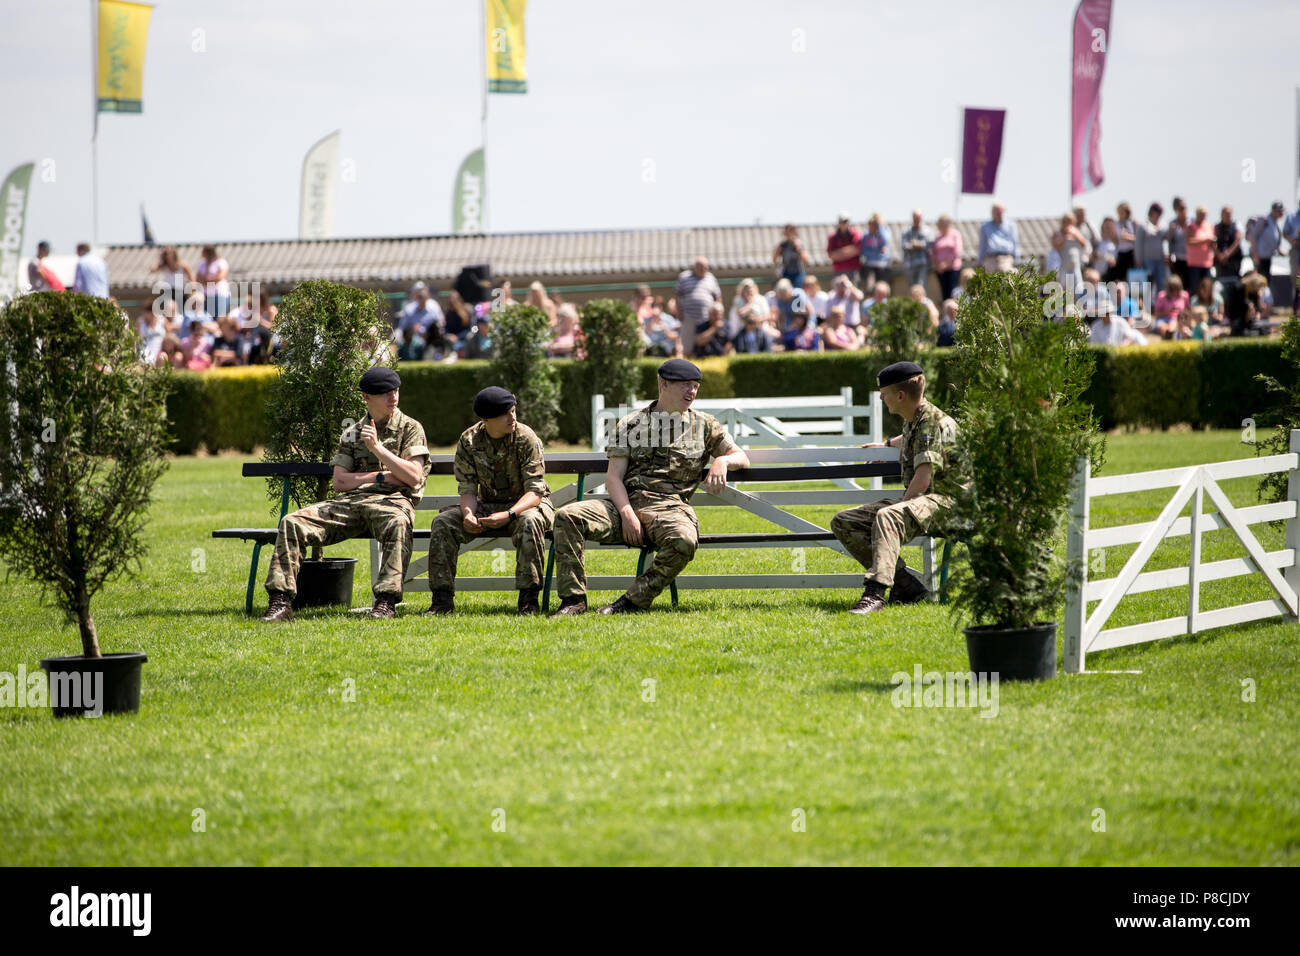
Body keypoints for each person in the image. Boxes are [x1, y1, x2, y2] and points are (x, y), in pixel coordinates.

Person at [550, 359, 749, 615]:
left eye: (695, 386)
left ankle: (631, 602)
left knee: (684, 540)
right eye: (685, 385)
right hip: (625, 505)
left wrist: (722, 460)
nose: (692, 392)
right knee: (568, 517)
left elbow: (741, 456)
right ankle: (573, 602)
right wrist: (627, 514)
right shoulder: (631, 424)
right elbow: (613, 478)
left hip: (669, 509)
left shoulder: (705, 426)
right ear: (663, 384)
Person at [261, 367, 431, 622]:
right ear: (366, 397)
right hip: (351, 503)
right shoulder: (352, 432)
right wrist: (382, 476)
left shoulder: (410, 427)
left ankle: (385, 603)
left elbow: (414, 476)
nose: (392, 397)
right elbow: (340, 481)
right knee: (292, 522)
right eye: (384, 393)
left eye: (395, 390)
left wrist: (377, 449)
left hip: (392, 502)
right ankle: (280, 602)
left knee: (398, 523)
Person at [830, 362, 956, 614]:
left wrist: (897, 509)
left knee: (888, 515)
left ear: (900, 395)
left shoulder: (930, 422)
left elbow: (922, 481)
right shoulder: (917, 419)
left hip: (948, 503)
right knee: (844, 521)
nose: (880, 397)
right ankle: (905, 584)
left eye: (884, 393)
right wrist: (886, 444)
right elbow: (912, 439)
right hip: (928, 501)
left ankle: (875, 594)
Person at [426, 387, 553, 616]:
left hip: (527, 505)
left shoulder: (525, 437)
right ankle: (441, 601)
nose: (512, 417)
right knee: (443, 522)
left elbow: (535, 491)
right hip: (488, 505)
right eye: (505, 414)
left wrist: (509, 514)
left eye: (513, 411)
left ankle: (528, 600)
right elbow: (467, 488)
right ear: (485, 420)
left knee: (530, 522)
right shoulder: (469, 440)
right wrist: (467, 515)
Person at [670, 256, 721, 357]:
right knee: (687, 346)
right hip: (688, 317)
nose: (703, 270)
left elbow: (718, 297)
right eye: (700, 267)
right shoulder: (684, 277)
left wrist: (718, 313)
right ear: (694, 267)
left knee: (705, 346)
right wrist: (679, 312)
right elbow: (677, 295)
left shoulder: (710, 278)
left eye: (705, 267)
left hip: (706, 318)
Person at [1051, 213, 1090, 296]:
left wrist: (1074, 234)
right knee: (1063, 288)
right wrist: (1065, 237)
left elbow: (1084, 244)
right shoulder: (1058, 233)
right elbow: (1055, 246)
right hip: (1063, 266)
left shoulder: (1076, 232)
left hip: (1075, 266)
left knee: (1078, 289)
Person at [978, 202, 1019, 272]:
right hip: (990, 259)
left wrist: (1017, 260)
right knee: (990, 281)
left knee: (1006, 279)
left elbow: (1015, 243)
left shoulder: (1011, 226)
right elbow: (982, 245)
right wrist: (980, 261)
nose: (998, 214)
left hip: (1006, 258)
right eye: (996, 212)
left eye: (1000, 212)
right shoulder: (985, 226)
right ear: (992, 213)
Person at [1135, 202, 1167, 290]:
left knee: (1161, 283)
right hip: (1147, 260)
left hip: (1160, 260)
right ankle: (1147, 303)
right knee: (1148, 285)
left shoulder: (1162, 226)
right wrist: (1139, 260)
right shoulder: (1142, 226)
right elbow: (1138, 244)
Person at [930, 215, 963, 302]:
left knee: (953, 292)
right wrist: (937, 266)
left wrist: (946, 265)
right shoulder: (938, 237)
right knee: (944, 294)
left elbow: (957, 251)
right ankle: (946, 313)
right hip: (940, 270)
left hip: (953, 268)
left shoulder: (955, 234)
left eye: (941, 223)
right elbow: (933, 253)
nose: (939, 225)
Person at [1185, 205, 1216, 293]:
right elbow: (1189, 241)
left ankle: (1205, 306)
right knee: (1195, 287)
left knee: (1206, 287)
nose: (1203, 216)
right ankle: (1146, 306)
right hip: (1194, 262)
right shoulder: (1191, 226)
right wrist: (1205, 240)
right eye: (1201, 214)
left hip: (1207, 262)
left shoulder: (1209, 226)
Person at [1251, 201, 1286, 278]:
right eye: (1279, 211)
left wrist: (1278, 250)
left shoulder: (1275, 223)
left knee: (1266, 278)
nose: (1281, 213)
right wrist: (1255, 254)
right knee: (1260, 279)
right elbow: (1253, 237)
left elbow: (1274, 238)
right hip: (1260, 257)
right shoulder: (1264, 221)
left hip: (1267, 257)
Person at [858, 213, 892, 290]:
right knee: (870, 287)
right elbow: (864, 250)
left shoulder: (882, 234)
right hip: (870, 265)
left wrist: (881, 227)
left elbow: (885, 245)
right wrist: (876, 252)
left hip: (882, 265)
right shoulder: (866, 236)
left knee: (883, 287)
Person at [900, 210, 932, 291]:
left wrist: (915, 244)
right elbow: (904, 246)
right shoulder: (906, 231)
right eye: (915, 218)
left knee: (922, 287)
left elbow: (929, 244)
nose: (917, 220)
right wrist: (918, 245)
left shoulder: (927, 231)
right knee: (912, 288)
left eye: (918, 218)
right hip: (910, 264)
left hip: (923, 264)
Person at [194, 245, 230, 318]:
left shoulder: (221, 262)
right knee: (207, 317)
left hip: (219, 294)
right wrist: (209, 280)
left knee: (219, 317)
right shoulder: (202, 265)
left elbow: (220, 276)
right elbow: (198, 278)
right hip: (206, 295)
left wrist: (207, 280)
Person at [772, 224, 810, 289]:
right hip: (786, 273)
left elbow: (806, 260)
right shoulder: (783, 245)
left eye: (791, 231)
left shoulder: (799, 244)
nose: (789, 234)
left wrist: (798, 248)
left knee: (798, 291)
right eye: (788, 231)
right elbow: (774, 259)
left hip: (798, 273)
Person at [827, 212, 862, 280]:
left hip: (853, 271)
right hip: (838, 271)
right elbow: (831, 255)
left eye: (845, 221)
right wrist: (849, 250)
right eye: (841, 221)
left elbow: (857, 249)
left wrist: (839, 253)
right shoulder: (832, 237)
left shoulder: (856, 234)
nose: (843, 223)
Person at [1214, 206, 1243, 285]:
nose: (1228, 216)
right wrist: (1219, 255)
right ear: (1221, 215)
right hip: (1220, 262)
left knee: (1234, 282)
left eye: (1229, 214)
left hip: (1234, 260)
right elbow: (1213, 242)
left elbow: (1237, 241)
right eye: (1226, 214)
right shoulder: (1217, 227)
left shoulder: (1236, 225)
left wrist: (1227, 254)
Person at [1113, 202, 1137, 279]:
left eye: (1122, 211)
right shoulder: (1116, 224)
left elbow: (1137, 238)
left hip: (1131, 252)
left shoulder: (1132, 222)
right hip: (1121, 252)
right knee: (1121, 275)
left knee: (1132, 275)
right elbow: (1116, 238)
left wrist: (1127, 237)